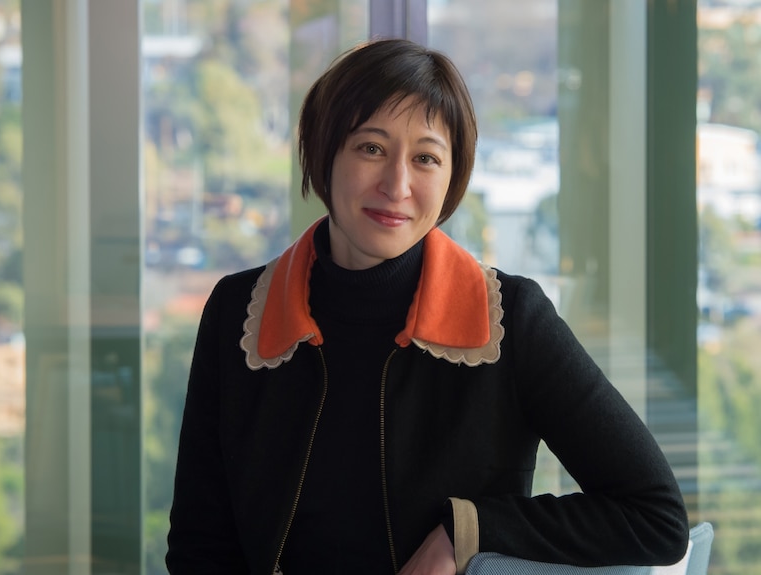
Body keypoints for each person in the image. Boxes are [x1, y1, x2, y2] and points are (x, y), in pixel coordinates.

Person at [165, 38, 689, 575]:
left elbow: (656, 517)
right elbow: (200, 545)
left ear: (451, 176)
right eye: (370, 148)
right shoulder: (239, 312)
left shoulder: (509, 319)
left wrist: (467, 532)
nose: (397, 185)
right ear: (323, 152)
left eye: (426, 158)